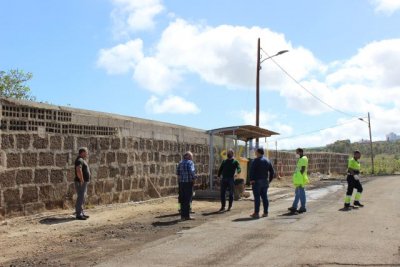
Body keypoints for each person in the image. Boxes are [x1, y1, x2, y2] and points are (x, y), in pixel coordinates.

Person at [249, 148, 275, 218]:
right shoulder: (267, 160)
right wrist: (269, 181)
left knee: (257, 197)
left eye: (256, 152)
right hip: (265, 182)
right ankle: (265, 213)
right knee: (265, 197)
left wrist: (251, 179)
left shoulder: (255, 161)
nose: (255, 153)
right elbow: (272, 172)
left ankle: (256, 213)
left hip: (257, 182)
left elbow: (251, 171)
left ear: (258, 153)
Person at [176, 151, 197, 220]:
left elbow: (178, 173)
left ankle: (182, 216)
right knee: (188, 199)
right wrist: (194, 179)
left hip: (182, 183)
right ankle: (187, 216)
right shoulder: (190, 163)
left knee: (182, 199)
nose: (192, 157)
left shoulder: (180, 163)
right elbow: (192, 171)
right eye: (191, 156)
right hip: (188, 183)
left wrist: (180, 182)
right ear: (188, 156)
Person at [288, 148, 309, 214]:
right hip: (298, 178)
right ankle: (294, 207)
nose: (296, 154)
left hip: (300, 179)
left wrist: (298, 178)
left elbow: (302, 169)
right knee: (297, 193)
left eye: (297, 152)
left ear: (300, 152)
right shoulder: (301, 159)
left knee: (301, 193)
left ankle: (303, 207)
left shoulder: (303, 159)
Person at [74, 147, 91, 220]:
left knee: (82, 197)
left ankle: (81, 212)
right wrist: (81, 179)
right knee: (81, 197)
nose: (87, 154)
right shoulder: (80, 160)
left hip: (83, 182)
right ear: (83, 152)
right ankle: (79, 214)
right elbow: (78, 169)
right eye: (86, 152)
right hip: (81, 182)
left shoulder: (81, 160)